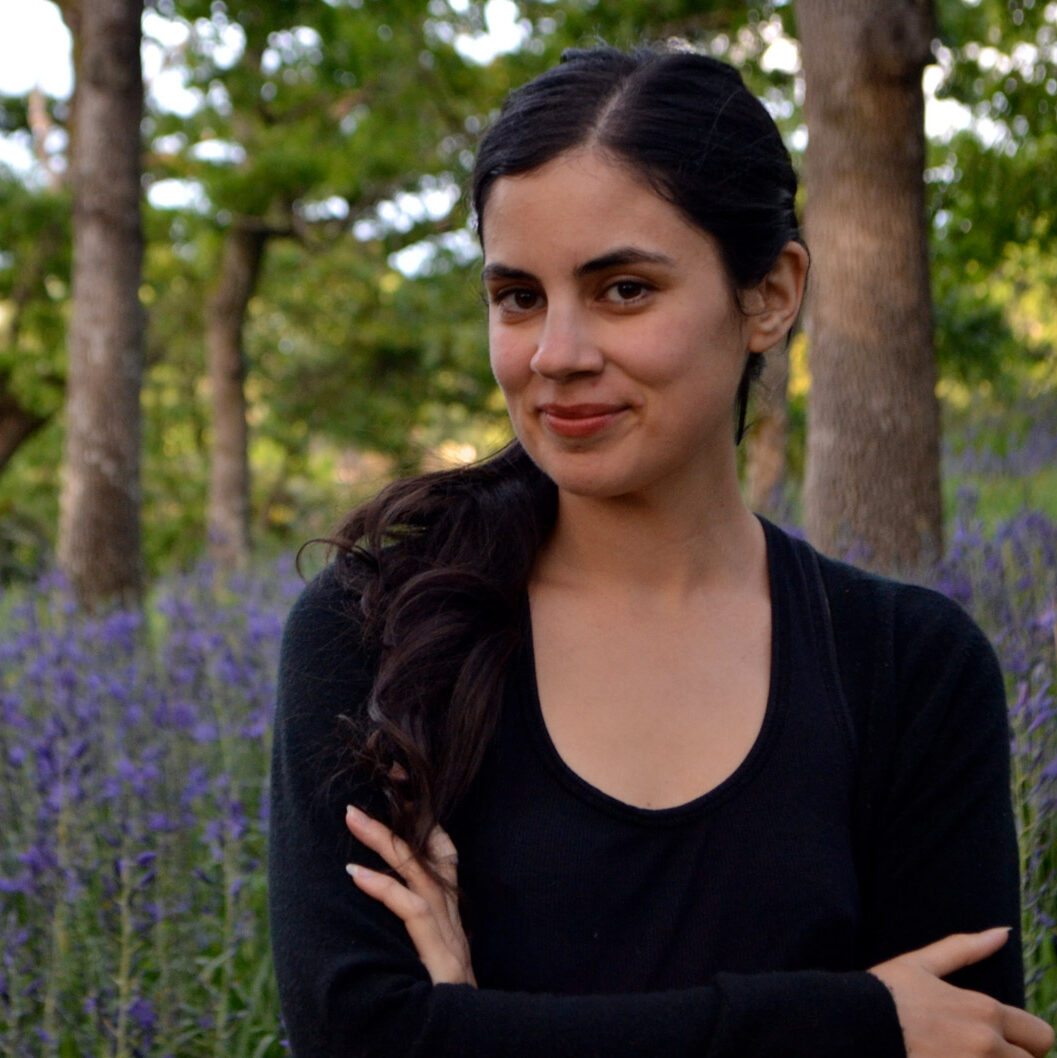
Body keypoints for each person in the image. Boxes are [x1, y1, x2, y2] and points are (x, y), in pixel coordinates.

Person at [268, 43, 1055, 1058]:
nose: (555, 354)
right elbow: (357, 1039)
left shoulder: (910, 670)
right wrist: (850, 1020)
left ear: (769, 294)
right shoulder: (379, 631)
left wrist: (466, 1026)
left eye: (624, 289)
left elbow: (973, 1041)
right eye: (517, 296)